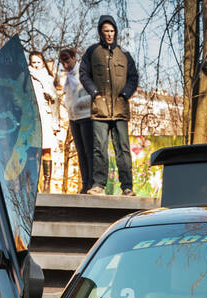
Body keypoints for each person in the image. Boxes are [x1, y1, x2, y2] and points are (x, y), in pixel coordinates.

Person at [80, 15, 139, 196]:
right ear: (100, 32)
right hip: (100, 109)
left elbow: (133, 77)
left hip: (120, 109)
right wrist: (95, 93)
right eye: (106, 31)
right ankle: (98, 185)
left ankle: (127, 187)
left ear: (116, 32)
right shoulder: (92, 52)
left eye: (112, 31)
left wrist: (125, 94)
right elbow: (83, 74)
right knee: (99, 148)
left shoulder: (125, 53)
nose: (109, 34)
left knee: (123, 149)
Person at [58, 48, 94, 193]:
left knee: (89, 152)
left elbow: (93, 94)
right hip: (73, 118)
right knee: (80, 152)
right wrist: (69, 107)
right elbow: (67, 97)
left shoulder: (84, 73)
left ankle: (92, 183)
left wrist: (78, 103)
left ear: (74, 58)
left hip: (86, 116)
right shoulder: (66, 78)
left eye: (67, 60)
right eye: (62, 62)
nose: (65, 65)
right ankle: (85, 184)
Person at [28, 51, 58, 191]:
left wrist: (55, 124)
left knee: (46, 150)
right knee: (32, 151)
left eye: (38, 62)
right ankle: (34, 184)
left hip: (45, 117)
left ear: (43, 63)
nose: (36, 65)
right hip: (31, 118)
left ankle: (47, 184)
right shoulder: (27, 78)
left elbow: (55, 102)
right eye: (33, 62)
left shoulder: (49, 79)